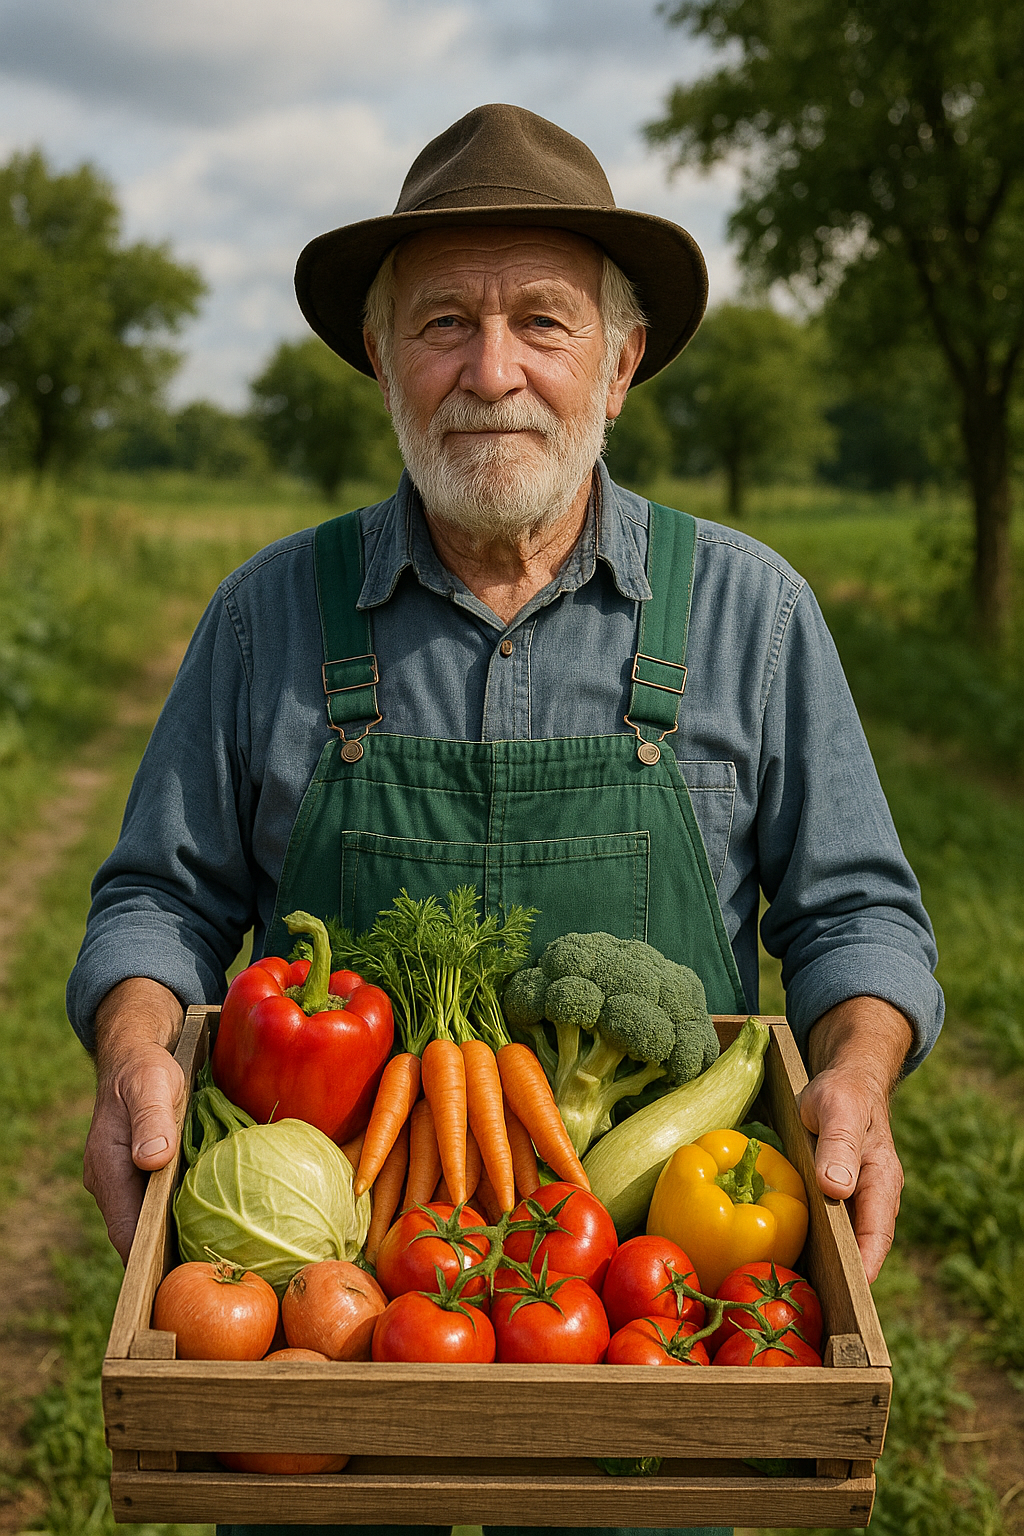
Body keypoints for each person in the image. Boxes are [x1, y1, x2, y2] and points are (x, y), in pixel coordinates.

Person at [69, 104, 941, 1536]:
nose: (492, 373)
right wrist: (130, 1044)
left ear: (622, 360)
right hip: (339, 1307)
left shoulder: (750, 616)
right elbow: (155, 900)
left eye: (543, 321)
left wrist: (856, 1070)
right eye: (440, 326)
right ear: (377, 357)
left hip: (641, 1301)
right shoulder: (266, 618)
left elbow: (856, 917)